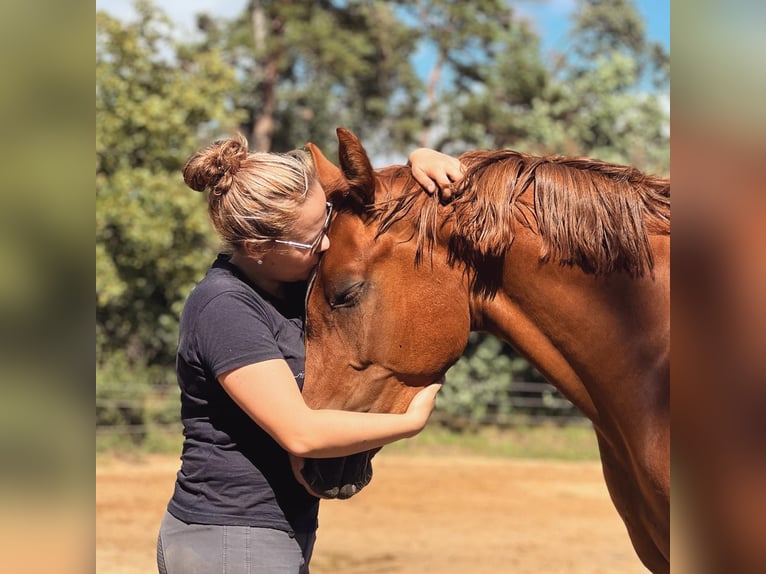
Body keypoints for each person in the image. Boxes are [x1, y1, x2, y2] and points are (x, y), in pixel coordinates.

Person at [156, 133, 463, 574]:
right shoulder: (225, 307)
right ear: (258, 249)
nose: (325, 244)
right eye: (311, 238)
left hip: (273, 532)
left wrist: (419, 161)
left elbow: (369, 206)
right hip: (228, 537)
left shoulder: (295, 285)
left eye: (326, 221)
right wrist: (408, 423)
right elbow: (300, 432)